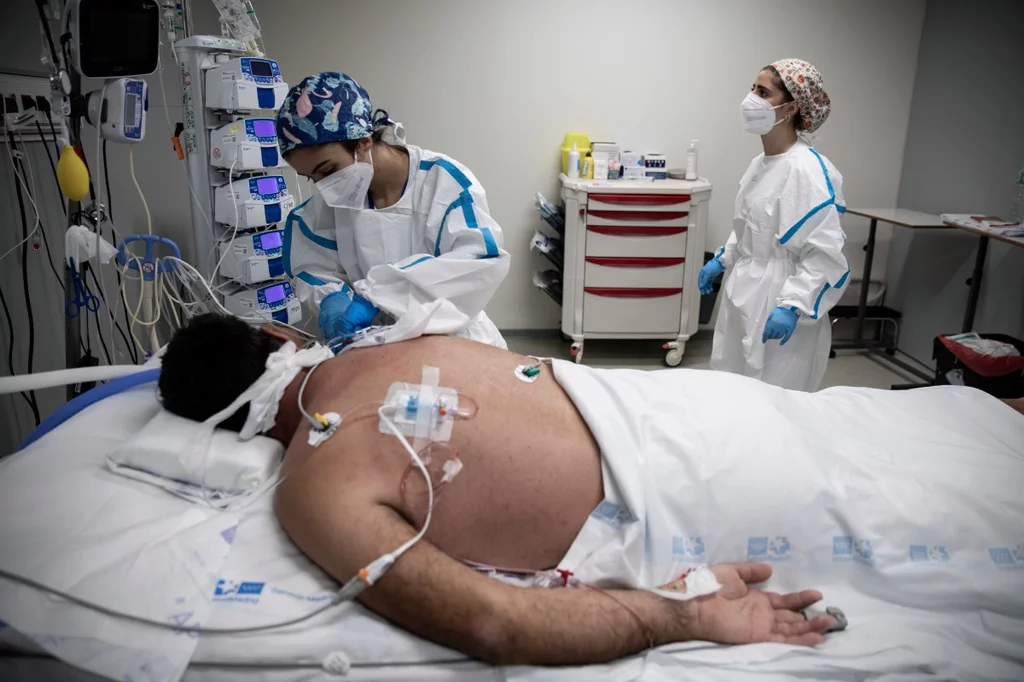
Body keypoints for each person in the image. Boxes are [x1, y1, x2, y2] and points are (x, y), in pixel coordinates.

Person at [157, 314, 1024, 667]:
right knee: (939, 448)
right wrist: (680, 614)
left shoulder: (316, 480)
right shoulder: (382, 345)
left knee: (947, 503)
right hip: (705, 416)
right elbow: (489, 622)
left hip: (696, 474)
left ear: (228, 428)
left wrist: (679, 617)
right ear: (278, 335)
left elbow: (494, 618)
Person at [275, 72, 510, 348]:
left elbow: (477, 263)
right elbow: (311, 264)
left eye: (327, 170)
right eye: (310, 178)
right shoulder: (328, 204)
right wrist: (329, 299)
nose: (323, 187)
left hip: (449, 335)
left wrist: (378, 294)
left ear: (364, 142)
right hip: (370, 343)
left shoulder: (442, 183)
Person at [698, 59, 849, 391]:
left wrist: (794, 306)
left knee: (775, 397)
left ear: (791, 106)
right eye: (752, 88)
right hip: (743, 293)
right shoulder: (760, 164)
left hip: (779, 301)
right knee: (730, 386)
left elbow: (824, 254)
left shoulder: (807, 170)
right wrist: (721, 259)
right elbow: (751, 227)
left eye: (763, 92)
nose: (751, 98)